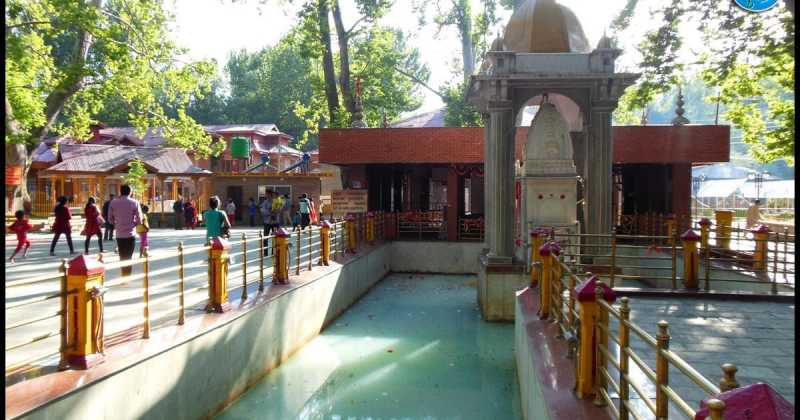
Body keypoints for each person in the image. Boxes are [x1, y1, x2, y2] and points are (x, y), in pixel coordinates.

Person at [109, 185, 142, 277]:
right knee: (129, 255)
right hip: (130, 233)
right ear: (130, 192)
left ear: (120, 191)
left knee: (122, 255)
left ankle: (123, 273)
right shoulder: (134, 202)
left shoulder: (113, 203)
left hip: (119, 233)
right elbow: (140, 219)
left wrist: (117, 224)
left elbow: (110, 219)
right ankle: (127, 275)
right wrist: (134, 224)